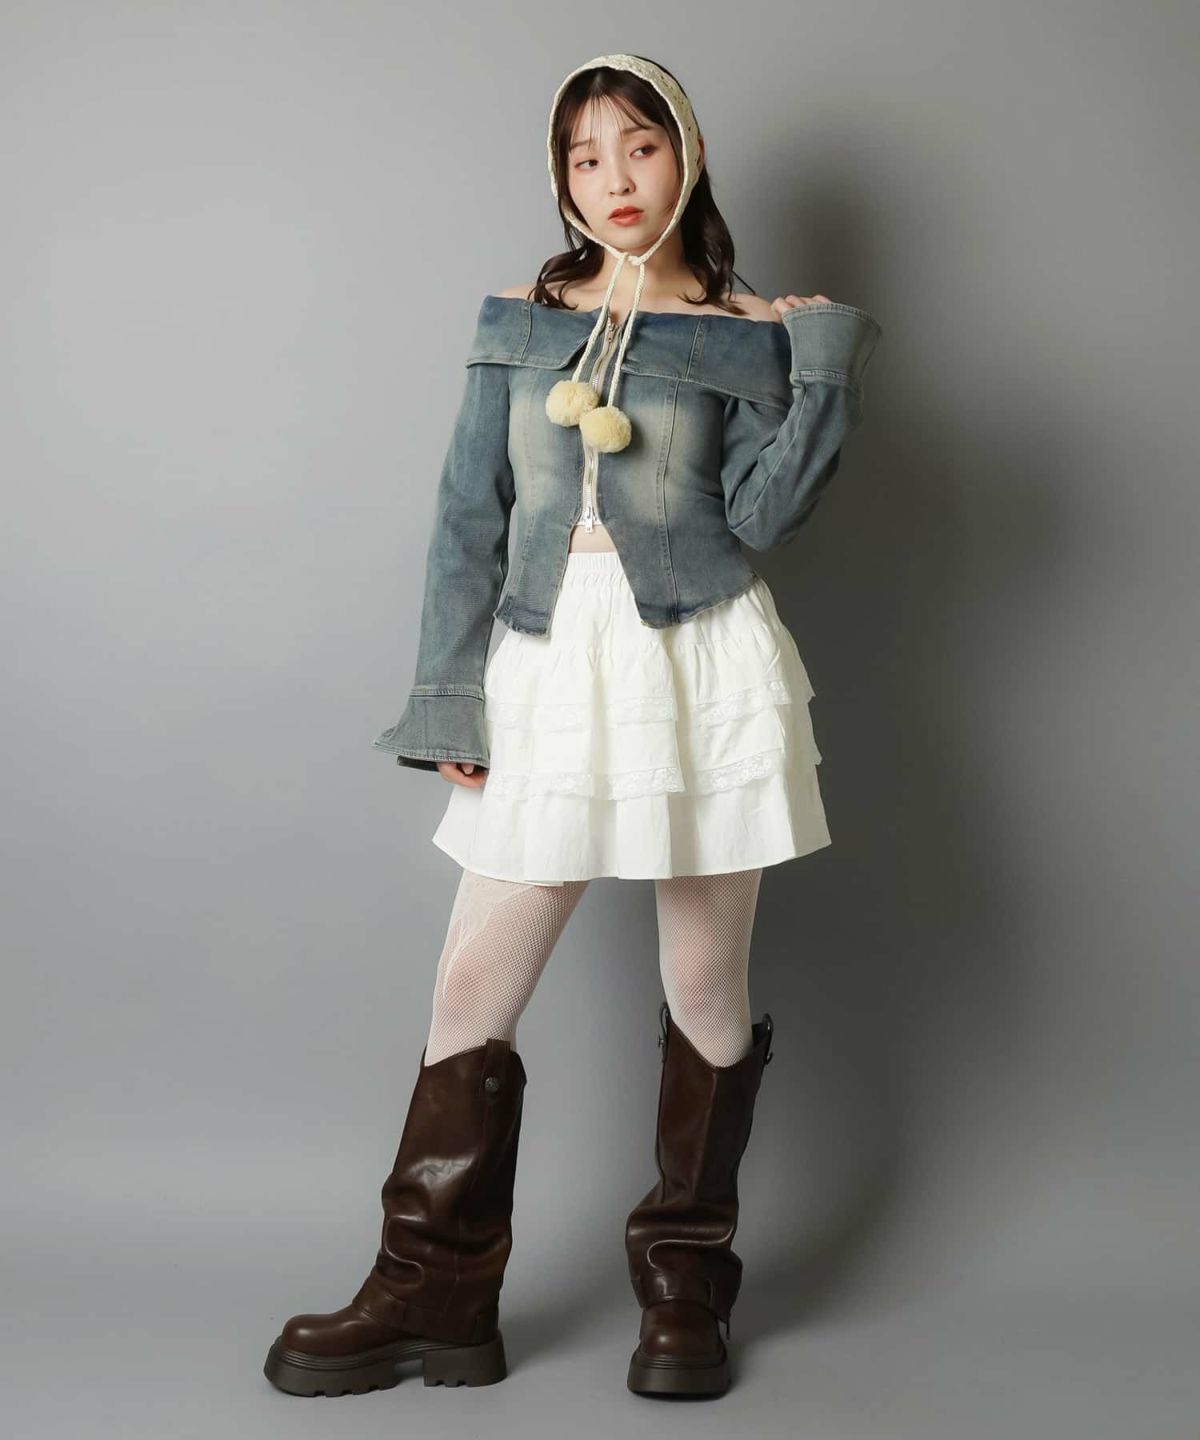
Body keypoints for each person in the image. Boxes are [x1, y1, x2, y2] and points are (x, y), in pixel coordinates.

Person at [263, 51, 882, 1402]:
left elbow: (766, 517)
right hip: (546, 662)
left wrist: (820, 361)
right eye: (585, 155)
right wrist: (448, 693)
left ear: (687, 158)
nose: (614, 178)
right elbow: (466, 518)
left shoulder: (745, 331)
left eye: (639, 147)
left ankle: (685, 1287)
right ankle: (434, 1296)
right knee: (471, 987)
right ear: (561, 179)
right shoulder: (521, 323)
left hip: (702, 662)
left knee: (705, 986)